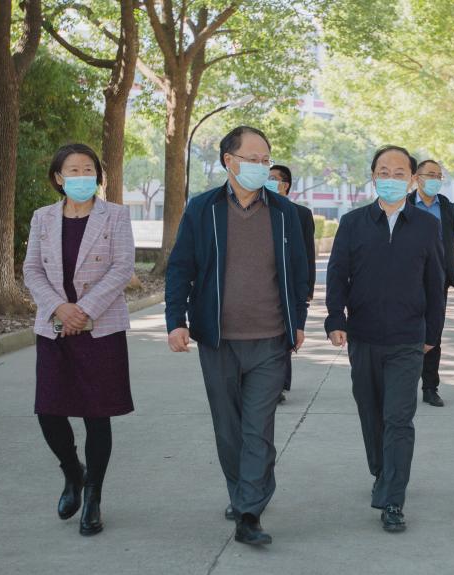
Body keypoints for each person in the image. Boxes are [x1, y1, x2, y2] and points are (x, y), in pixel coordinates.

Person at [165, 126, 309, 546]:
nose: (262, 166)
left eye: (266, 160)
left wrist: (298, 320)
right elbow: (181, 268)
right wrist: (176, 320)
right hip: (219, 339)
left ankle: (249, 511)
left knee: (258, 430)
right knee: (229, 430)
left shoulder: (284, 212)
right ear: (229, 161)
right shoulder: (203, 209)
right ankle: (241, 491)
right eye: (253, 159)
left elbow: (299, 272)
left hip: (270, 338)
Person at [326, 145, 445, 533]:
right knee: (371, 413)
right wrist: (335, 318)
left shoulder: (426, 225)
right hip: (363, 336)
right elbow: (337, 274)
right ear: (373, 176)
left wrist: (433, 333)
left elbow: (436, 282)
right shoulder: (353, 223)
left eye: (399, 173)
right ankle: (381, 471)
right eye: (383, 171)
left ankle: (393, 499)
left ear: (412, 180)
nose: (390, 179)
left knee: (398, 418)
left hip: (408, 339)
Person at [23, 143, 136, 536]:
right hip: (54, 328)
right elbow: (32, 270)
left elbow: (122, 268)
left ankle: (93, 497)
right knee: (49, 411)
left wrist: (83, 310)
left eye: (89, 169)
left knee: (96, 415)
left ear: (98, 175)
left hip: (100, 329)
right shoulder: (42, 218)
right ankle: (73, 472)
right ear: (59, 178)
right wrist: (60, 308)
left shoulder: (115, 216)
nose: (82, 176)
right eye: (73, 170)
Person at [408, 160, 454, 407]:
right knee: (407, 331)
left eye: (439, 175)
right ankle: (404, 385)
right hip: (408, 278)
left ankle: (430, 387)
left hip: (438, 278)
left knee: (433, 332)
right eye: (430, 175)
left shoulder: (447, 207)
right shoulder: (405, 203)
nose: (435, 179)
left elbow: (451, 240)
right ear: (417, 177)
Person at [267, 164, 316, 404]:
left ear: (285, 185)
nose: (267, 181)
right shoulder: (258, 210)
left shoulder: (300, 214)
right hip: (265, 286)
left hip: (289, 284)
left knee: (285, 335)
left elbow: (307, 255)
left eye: (272, 178)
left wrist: (307, 290)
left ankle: (279, 384)